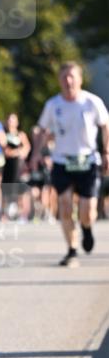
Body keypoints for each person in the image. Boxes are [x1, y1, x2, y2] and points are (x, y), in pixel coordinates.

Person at [33, 62, 109, 267]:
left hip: (88, 161)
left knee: (87, 210)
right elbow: (41, 130)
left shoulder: (92, 102)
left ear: (80, 79)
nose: (68, 81)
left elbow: (105, 126)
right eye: (64, 77)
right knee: (65, 206)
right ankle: (72, 250)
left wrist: (107, 151)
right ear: (59, 80)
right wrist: (35, 155)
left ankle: (86, 228)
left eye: (72, 76)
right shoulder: (53, 105)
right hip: (62, 161)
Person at [1, 112, 30, 221]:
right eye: (8, 119)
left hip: (18, 166)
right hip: (6, 165)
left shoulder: (21, 135)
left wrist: (17, 152)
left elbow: (26, 148)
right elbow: (5, 150)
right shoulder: (3, 134)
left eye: (12, 120)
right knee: (5, 188)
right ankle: (4, 214)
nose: (10, 122)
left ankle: (22, 214)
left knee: (20, 189)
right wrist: (14, 152)